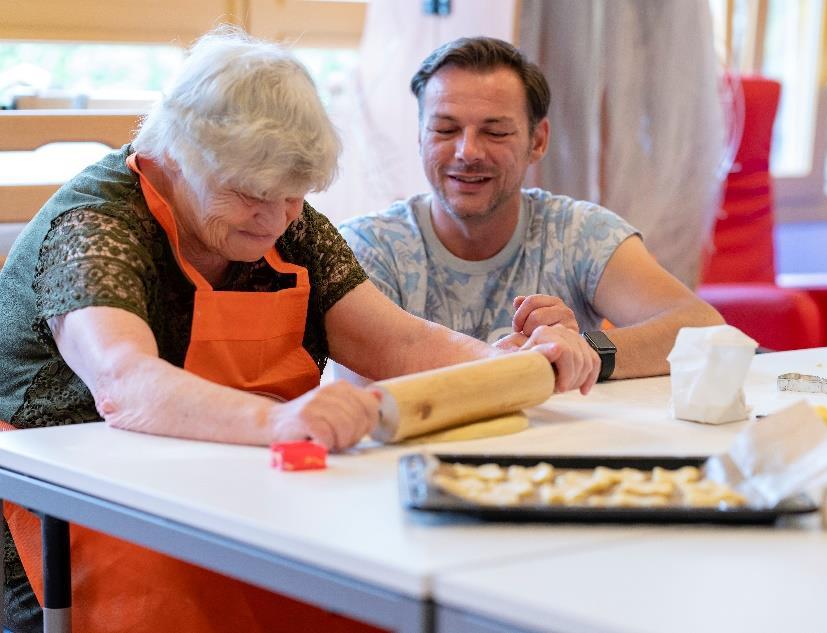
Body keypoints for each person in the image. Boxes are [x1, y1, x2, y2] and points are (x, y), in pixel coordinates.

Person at [0, 28, 598, 633]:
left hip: (234, 477)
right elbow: (125, 383)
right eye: (249, 196)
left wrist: (517, 364)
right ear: (170, 159)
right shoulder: (94, 226)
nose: (274, 219)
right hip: (67, 509)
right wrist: (280, 422)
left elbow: (398, 342)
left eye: (293, 197)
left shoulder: (286, 220)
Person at [341, 37, 724, 382]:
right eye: (445, 130)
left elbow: (702, 329)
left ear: (537, 141)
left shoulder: (578, 232)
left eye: (495, 132)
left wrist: (583, 351)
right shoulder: (369, 247)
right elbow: (368, 381)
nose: (468, 152)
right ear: (420, 137)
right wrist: (522, 364)